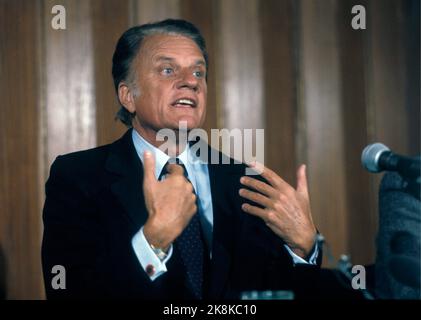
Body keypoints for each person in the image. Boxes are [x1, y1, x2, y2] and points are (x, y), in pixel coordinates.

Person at [41, 19, 321, 299]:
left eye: (199, 73)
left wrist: (304, 249)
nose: (191, 82)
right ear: (128, 96)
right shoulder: (78, 177)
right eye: (167, 70)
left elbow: (278, 289)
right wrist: (153, 242)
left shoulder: (246, 181)